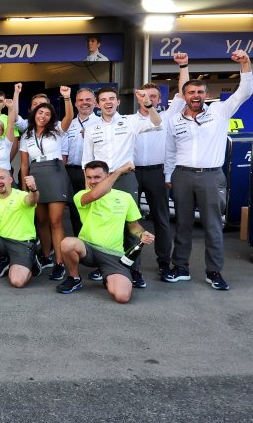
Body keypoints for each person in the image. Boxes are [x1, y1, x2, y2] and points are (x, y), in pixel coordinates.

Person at [164, 49, 252, 290]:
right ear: (183, 95)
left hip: (211, 176)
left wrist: (245, 64)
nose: (196, 96)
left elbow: (245, 91)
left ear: (207, 94)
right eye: (191, 92)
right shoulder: (174, 120)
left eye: (200, 92)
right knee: (182, 224)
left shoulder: (220, 111)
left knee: (213, 226)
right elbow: (170, 150)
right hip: (182, 175)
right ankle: (180, 267)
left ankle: (214, 272)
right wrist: (168, 175)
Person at [82, 85, 161, 287]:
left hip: (125, 178)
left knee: (131, 225)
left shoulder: (130, 122)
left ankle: (134, 270)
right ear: (97, 104)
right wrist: (88, 187)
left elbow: (157, 122)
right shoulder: (91, 129)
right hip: (100, 182)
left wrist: (148, 104)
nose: (107, 102)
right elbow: (87, 160)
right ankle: (104, 266)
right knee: (102, 224)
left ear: (118, 102)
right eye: (103, 100)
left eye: (111, 99)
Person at [57, 161, 155, 303]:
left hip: (113, 255)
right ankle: (74, 278)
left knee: (122, 297)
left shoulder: (125, 197)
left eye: (97, 177)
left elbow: (133, 225)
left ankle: (108, 278)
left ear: (107, 176)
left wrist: (142, 234)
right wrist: (120, 170)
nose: (92, 181)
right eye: (89, 177)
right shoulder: (81, 195)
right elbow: (95, 195)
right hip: (88, 250)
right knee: (67, 243)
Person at [134, 55, 189, 280]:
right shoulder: (127, 120)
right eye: (145, 95)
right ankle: (131, 262)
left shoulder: (168, 116)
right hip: (132, 173)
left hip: (158, 173)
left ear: (159, 99)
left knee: (161, 219)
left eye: (153, 96)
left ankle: (164, 261)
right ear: (138, 97)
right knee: (129, 220)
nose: (149, 99)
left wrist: (183, 66)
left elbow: (184, 91)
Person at [18, 88, 74, 281]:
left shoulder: (57, 129)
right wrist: (24, 188)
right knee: (41, 221)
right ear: (34, 113)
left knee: (55, 221)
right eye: (40, 112)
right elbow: (24, 164)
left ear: (51, 117)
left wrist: (67, 97)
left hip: (55, 173)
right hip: (36, 174)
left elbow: (69, 116)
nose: (43, 116)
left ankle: (59, 263)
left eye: (47, 113)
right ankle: (46, 256)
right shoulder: (27, 135)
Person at [61, 87, 97, 237]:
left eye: (88, 100)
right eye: (81, 100)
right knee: (75, 209)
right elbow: (64, 151)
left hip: (92, 173)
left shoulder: (101, 123)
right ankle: (79, 242)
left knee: (94, 208)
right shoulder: (69, 123)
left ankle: (93, 243)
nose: (84, 103)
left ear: (95, 102)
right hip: (71, 171)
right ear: (75, 104)